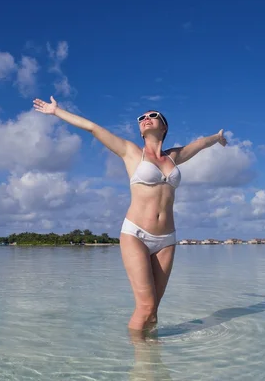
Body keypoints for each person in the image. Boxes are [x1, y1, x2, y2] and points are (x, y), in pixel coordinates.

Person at [33, 96, 227, 336]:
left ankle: (152, 356)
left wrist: (217, 138)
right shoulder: (131, 152)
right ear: (140, 129)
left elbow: (199, 144)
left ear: (164, 127)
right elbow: (93, 128)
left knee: (154, 310)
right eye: (141, 118)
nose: (146, 119)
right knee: (145, 306)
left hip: (166, 239)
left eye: (152, 115)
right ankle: (138, 362)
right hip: (135, 233)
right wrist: (57, 111)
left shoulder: (173, 157)